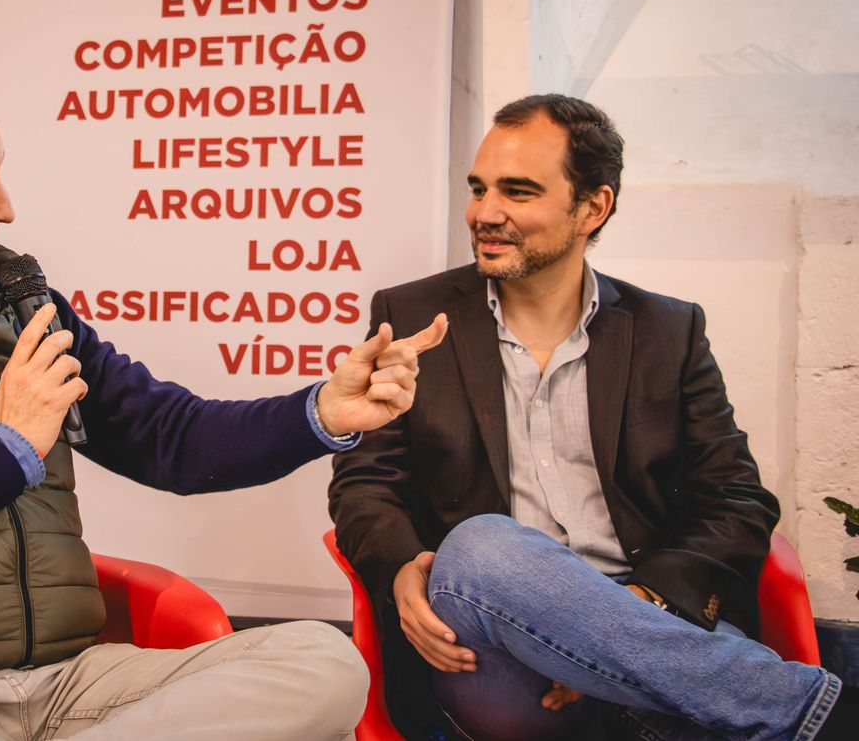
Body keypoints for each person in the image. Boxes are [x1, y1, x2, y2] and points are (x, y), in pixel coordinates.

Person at [0, 58, 447, 741]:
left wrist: (321, 412)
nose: (4, 206)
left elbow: (173, 438)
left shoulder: (24, 309)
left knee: (325, 663)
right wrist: (6, 450)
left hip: (70, 686)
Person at [328, 94, 847, 740]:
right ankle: (807, 711)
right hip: (489, 646)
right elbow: (363, 485)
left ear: (593, 207)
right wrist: (400, 567)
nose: (484, 213)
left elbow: (736, 498)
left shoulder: (668, 331)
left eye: (517, 191)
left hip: (649, 612)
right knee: (481, 546)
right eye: (479, 188)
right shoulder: (412, 316)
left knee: (653, 678)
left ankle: (656, 689)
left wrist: (632, 611)